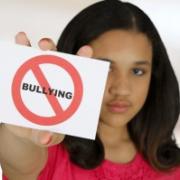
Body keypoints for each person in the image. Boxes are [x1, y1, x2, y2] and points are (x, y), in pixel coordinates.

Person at [1, 0, 180, 179]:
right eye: (106, 67)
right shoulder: (47, 147)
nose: (122, 89)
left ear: (155, 76)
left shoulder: (173, 167)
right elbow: (18, 161)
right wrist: (19, 130)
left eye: (138, 71)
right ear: (75, 66)